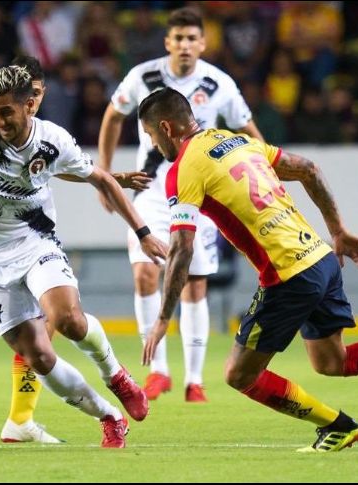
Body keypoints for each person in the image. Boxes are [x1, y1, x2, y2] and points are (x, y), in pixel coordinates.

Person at [138, 87, 358, 452]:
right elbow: (308, 169)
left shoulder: (184, 169)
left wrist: (162, 318)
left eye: (151, 137)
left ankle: (338, 425)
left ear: (166, 127)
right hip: (320, 258)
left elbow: (181, 247)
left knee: (239, 375)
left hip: (287, 275)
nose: (155, 145)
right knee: (333, 361)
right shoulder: (238, 142)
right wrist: (337, 230)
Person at [0, 65, 167, 448]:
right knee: (38, 356)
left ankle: (116, 375)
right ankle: (109, 415)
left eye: (6, 111)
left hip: (37, 245)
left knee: (67, 319)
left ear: (31, 105)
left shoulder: (52, 139)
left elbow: (98, 178)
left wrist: (144, 232)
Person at [98, 7, 265, 403]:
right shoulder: (143, 76)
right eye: (179, 39)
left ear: (203, 43)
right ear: (167, 43)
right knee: (144, 275)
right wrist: (104, 177)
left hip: (200, 191)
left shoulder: (218, 82)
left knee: (193, 283)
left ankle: (194, 380)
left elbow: (247, 128)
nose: (186, 46)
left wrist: (263, 171)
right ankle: (157, 372)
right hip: (151, 190)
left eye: (193, 39)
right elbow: (111, 116)